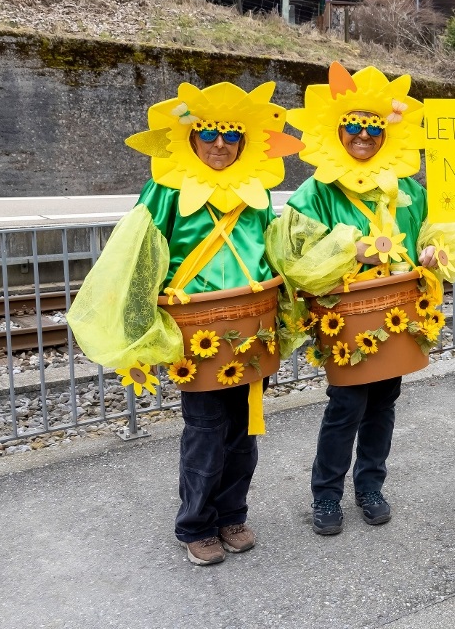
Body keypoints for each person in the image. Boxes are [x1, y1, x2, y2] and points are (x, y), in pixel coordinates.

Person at [68, 81, 303, 565]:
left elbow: (276, 253)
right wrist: (138, 327)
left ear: (245, 142)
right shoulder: (167, 189)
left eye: (232, 135)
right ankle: (195, 525)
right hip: (194, 331)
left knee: (243, 430)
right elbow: (136, 260)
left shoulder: (256, 193)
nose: (220, 144)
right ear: (191, 137)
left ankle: (231, 514)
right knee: (205, 430)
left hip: (250, 327)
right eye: (210, 132)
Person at [267, 63, 455, 535]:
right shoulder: (316, 191)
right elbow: (294, 255)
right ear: (337, 131)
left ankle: (370, 485)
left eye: (374, 126)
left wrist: (432, 250)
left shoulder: (408, 190)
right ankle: (326, 496)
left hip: (398, 315)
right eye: (354, 126)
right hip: (347, 319)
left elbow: (437, 231)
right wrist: (347, 249)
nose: (364, 134)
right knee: (346, 404)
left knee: (385, 401)